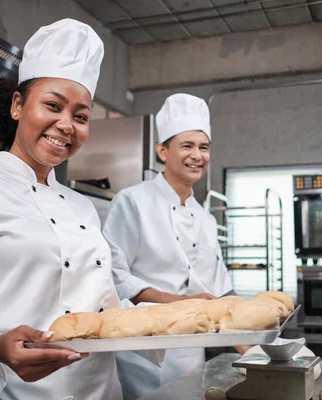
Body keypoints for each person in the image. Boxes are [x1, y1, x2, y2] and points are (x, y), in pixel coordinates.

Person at [0, 19, 146, 399]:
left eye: (81, 116)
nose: (66, 125)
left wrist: (171, 318)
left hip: (102, 390)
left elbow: (103, 304)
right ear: (18, 105)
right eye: (53, 105)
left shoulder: (83, 207)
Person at [102, 93, 242, 399]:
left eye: (204, 147)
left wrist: (259, 349)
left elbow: (220, 292)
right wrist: (175, 301)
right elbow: (113, 276)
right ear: (162, 151)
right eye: (187, 146)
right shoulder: (133, 201)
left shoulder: (204, 218)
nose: (197, 155)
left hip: (192, 353)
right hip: (143, 352)